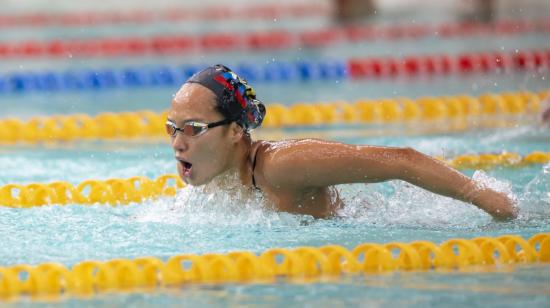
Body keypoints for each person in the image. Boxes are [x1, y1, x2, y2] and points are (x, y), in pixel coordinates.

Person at [166, 64, 517, 220]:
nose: (178, 144)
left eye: (194, 128)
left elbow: (402, 160)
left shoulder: (282, 165)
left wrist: (484, 197)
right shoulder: (215, 179)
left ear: (235, 131)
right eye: (172, 128)